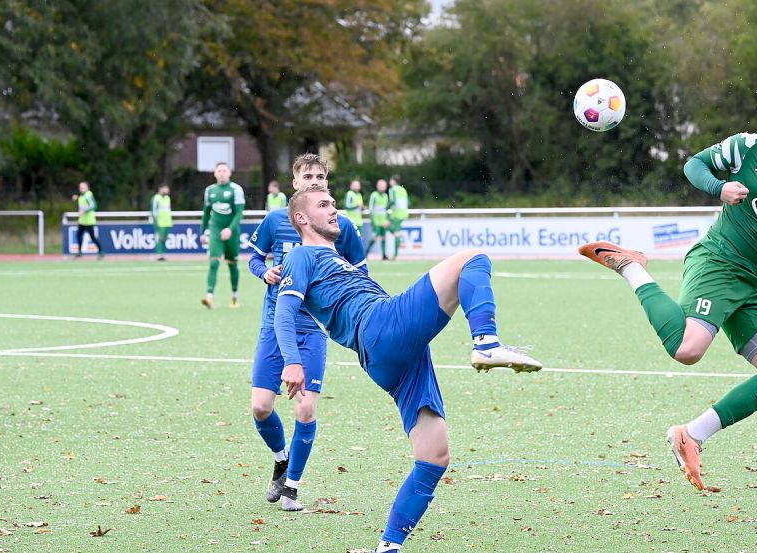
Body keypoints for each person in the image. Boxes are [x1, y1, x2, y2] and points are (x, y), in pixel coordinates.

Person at [578, 89, 757, 491]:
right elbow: (694, 164)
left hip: (751, 281)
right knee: (687, 348)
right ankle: (630, 265)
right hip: (717, 261)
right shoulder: (749, 146)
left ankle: (691, 435)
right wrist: (718, 189)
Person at [274, 185, 543, 551]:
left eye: (334, 203)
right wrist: (292, 360)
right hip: (379, 326)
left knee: (434, 456)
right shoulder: (301, 257)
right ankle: (486, 342)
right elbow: (285, 311)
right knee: (472, 258)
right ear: (301, 218)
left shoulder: (340, 258)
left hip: (387, 359)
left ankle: (388, 547)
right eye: (324, 205)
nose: (334, 210)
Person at [247, 154, 366, 511]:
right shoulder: (274, 221)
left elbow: (362, 274)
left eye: (320, 176)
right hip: (275, 325)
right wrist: (264, 272)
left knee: (306, 409)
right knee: (261, 407)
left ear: (327, 182)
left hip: (313, 329)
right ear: (295, 183)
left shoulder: (341, 225)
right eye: (307, 176)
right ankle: (281, 459)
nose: (314, 180)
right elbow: (254, 257)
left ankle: (291, 488)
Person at [200, 161, 245, 309]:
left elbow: (239, 213)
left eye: (224, 170)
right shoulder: (210, 191)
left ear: (229, 173)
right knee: (213, 262)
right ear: (214, 174)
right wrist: (202, 232)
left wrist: (230, 229)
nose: (222, 173)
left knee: (232, 265)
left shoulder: (236, 190)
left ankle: (234, 295)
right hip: (215, 230)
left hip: (232, 232)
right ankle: (209, 296)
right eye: (219, 171)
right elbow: (206, 213)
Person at [72, 181, 103, 259]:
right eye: (80, 187)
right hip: (82, 220)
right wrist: (77, 198)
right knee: (78, 235)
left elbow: (94, 205)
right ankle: (80, 252)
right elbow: (83, 204)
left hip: (89, 221)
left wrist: (84, 210)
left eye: (83, 187)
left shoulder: (88, 194)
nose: (81, 189)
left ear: (87, 187)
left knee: (92, 237)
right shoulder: (82, 196)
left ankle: (101, 251)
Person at [366, 179, 390, 260]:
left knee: (384, 237)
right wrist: (372, 220)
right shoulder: (374, 195)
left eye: (384, 186)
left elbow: (385, 209)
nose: (382, 187)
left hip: (383, 221)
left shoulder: (386, 196)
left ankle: (384, 255)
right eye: (381, 185)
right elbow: (371, 209)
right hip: (376, 221)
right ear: (377, 186)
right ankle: (366, 253)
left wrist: (387, 219)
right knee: (374, 238)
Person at [387, 174, 410, 260]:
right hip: (403, 213)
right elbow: (408, 201)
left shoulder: (392, 189)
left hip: (396, 214)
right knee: (387, 227)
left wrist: (386, 207)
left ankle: (395, 255)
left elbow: (392, 201)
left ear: (393, 181)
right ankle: (398, 238)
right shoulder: (403, 189)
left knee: (394, 232)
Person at [150, 184, 173, 261]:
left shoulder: (167, 198)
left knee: (164, 239)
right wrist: (155, 222)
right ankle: (159, 254)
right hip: (160, 222)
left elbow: (168, 211)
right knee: (159, 238)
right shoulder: (156, 198)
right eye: (165, 189)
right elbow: (154, 211)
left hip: (167, 222)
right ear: (160, 189)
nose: (167, 190)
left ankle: (163, 254)